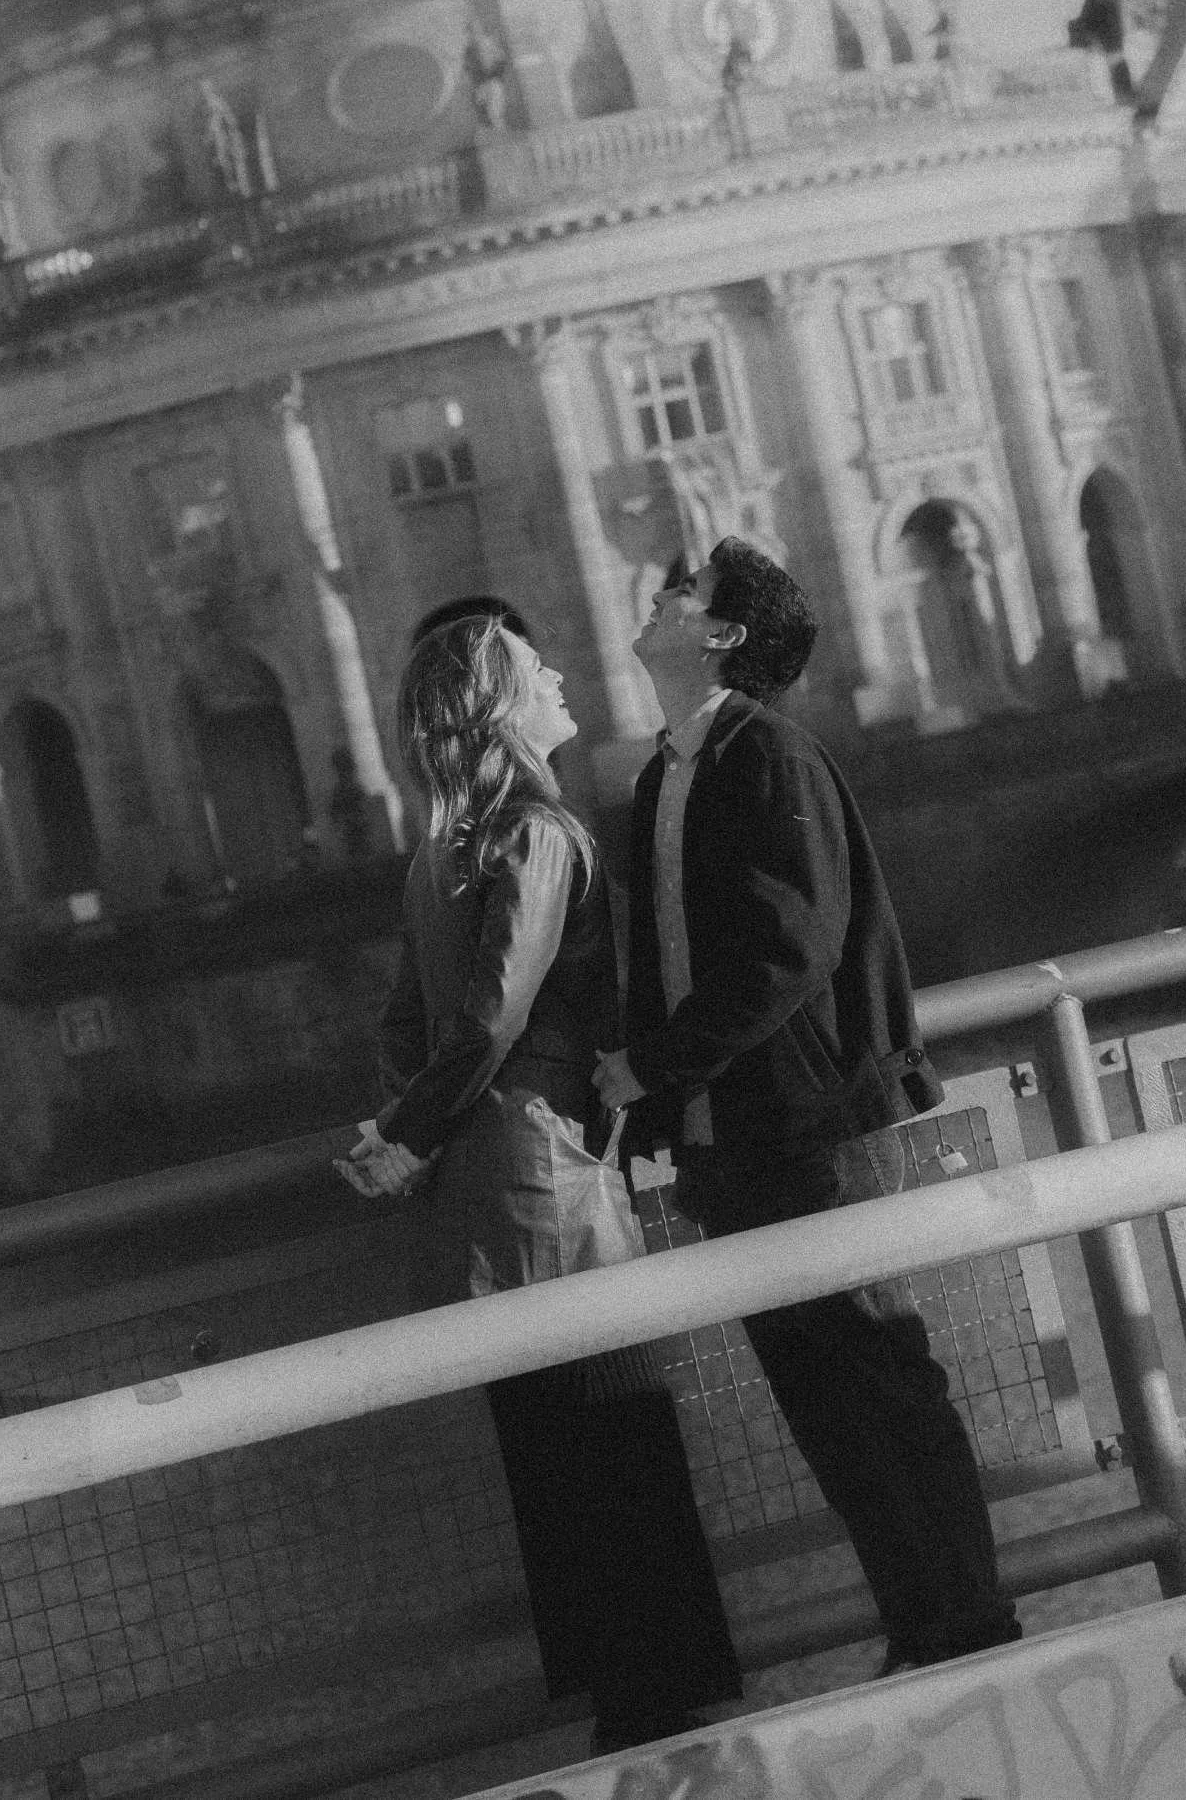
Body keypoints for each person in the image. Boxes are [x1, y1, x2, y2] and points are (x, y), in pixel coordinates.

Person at [593, 536, 1021, 1676]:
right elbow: (682, 954)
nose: (660, 593)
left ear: (721, 637)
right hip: (736, 1133)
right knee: (820, 1391)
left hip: (814, 1121)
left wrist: (658, 1066)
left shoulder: (768, 754)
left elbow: (792, 946)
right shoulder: (666, 773)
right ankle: (921, 1622)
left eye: (682, 591)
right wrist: (667, 1098)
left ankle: (968, 1622)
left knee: (876, 1365)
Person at [340, 613, 741, 1750]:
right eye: (536, 672)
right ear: (502, 707)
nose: (560, 673)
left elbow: (408, 1022)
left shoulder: (436, 854)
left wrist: (407, 1132)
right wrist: (412, 1128)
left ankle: (623, 1707)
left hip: (473, 1193)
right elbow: (493, 1017)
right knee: (625, 1436)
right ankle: (669, 1711)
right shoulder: (538, 834)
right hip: (546, 1176)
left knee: (551, 1454)